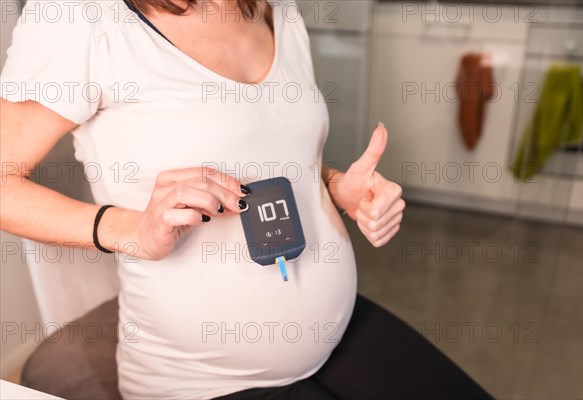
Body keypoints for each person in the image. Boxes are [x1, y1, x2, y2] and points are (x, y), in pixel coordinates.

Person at [0, 1, 491, 399]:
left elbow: (278, 156)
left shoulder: (276, 8)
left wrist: (338, 187)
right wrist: (129, 231)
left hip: (340, 334)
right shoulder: (82, 16)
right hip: (202, 379)